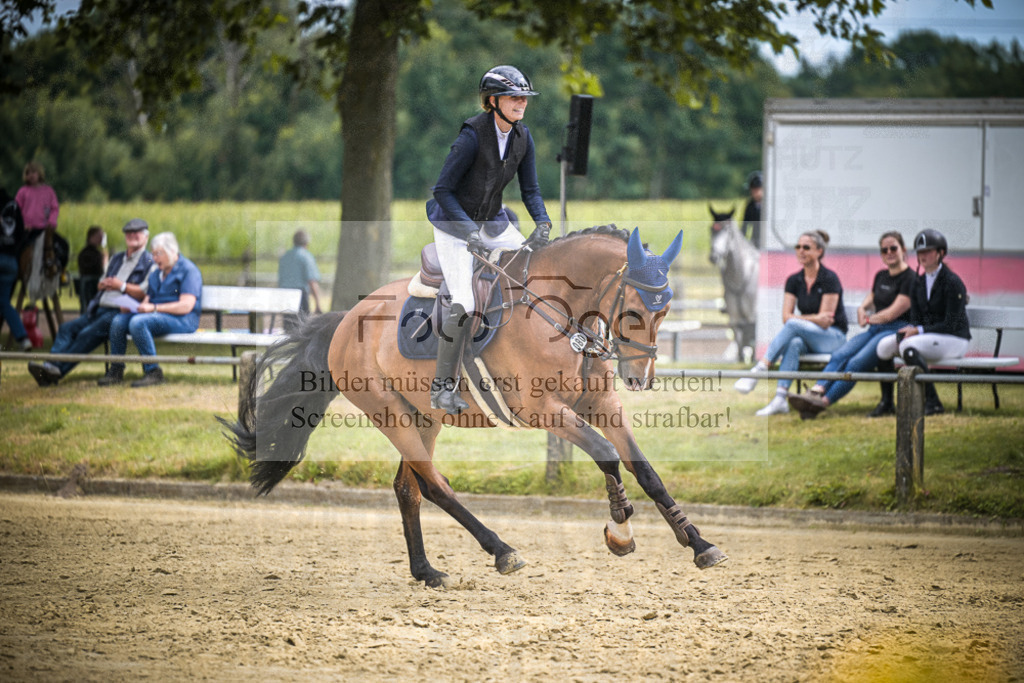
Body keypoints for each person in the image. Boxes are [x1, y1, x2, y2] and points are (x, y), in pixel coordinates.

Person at [424, 65, 553, 414]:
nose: (521, 103)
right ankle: (442, 387)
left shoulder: (523, 138)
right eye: (514, 97)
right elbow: (442, 191)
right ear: (493, 101)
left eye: (524, 98)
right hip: (453, 225)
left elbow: (531, 190)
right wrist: (468, 230)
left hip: (492, 222)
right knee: (464, 302)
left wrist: (542, 222)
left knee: (532, 269)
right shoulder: (471, 137)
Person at [787, 231, 916, 419]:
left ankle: (821, 404)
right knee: (840, 355)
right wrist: (862, 309)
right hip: (875, 329)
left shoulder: (910, 278)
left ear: (903, 250)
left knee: (855, 363)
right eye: (884, 249)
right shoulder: (881, 275)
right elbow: (871, 299)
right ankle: (815, 392)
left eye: (893, 248)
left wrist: (869, 319)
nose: (889, 252)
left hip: (895, 330)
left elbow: (892, 313)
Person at [734, 229, 848, 416]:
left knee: (794, 326)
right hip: (811, 337)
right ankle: (780, 398)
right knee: (794, 342)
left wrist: (800, 320)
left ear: (819, 251)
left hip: (833, 338)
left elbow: (826, 322)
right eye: (798, 247)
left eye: (806, 247)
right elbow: (787, 317)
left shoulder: (829, 279)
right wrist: (812, 319)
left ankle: (760, 368)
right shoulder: (794, 280)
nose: (801, 251)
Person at [28, 219, 154, 386]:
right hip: (99, 307)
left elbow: (144, 291)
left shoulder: (149, 262)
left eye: (136, 233)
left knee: (86, 333)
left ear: (146, 236)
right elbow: (100, 282)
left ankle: (55, 370)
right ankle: (50, 366)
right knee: (66, 328)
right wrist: (103, 284)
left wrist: (121, 286)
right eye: (128, 233)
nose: (132, 236)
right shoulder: (117, 259)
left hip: (121, 311)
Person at [875, 229, 970, 416]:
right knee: (883, 346)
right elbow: (916, 319)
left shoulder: (952, 282)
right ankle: (887, 402)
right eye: (920, 252)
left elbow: (951, 323)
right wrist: (913, 328)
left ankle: (933, 402)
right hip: (927, 338)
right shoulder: (917, 282)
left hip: (953, 339)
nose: (922, 256)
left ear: (941, 253)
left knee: (908, 346)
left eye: (928, 251)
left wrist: (918, 330)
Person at [99, 232, 202, 388]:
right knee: (118, 321)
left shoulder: (189, 270)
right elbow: (148, 300)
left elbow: (186, 305)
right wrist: (134, 307)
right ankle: (116, 370)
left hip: (183, 319)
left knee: (138, 323)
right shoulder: (156, 274)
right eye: (153, 254)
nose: (154, 259)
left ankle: (153, 372)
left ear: (172, 251)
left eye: (158, 254)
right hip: (156, 317)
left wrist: (152, 308)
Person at [0, 187, 33, 351]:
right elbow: (22, 235)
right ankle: (23, 338)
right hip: (11, 261)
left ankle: (22, 337)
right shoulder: (13, 205)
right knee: (4, 302)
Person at [278, 229, 322, 318]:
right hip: (300, 297)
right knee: (302, 327)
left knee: (288, 327)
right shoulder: (306, 256)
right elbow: (312, 281)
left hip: (285, 295)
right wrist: (318, 304)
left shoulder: (285, 257)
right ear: (307, 243)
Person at [77, 225, 108, 313]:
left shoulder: (96, 252)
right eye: (99, 236)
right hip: (89, 284)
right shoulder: (86, 253)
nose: (101, 238)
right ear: (92, 237)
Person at [740, 171, 763, 246]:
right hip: (755, 241)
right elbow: (745, 226)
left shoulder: (769, 206)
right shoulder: (750, 206)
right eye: (752, 190)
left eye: (756, 190)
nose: (754, 193)